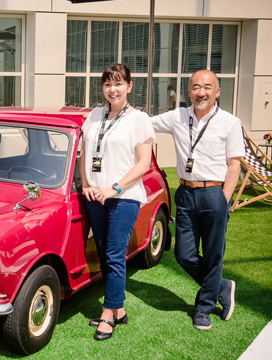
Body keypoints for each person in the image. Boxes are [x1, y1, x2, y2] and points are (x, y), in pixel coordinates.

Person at [150, 69, 243, 330]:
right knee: (184, 254)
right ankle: (222, 286)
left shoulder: (229, 122)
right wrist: (110, 112)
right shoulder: (177, 116)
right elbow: (145, 123)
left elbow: (234, 165)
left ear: (217, 91)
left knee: (213, 254)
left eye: (206, 87)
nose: (200, 92)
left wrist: (224, 198)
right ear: (188, 91)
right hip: (186, 193)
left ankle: (204, 307)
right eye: (195, 87)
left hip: (215, 192)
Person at [78, 63, 154, 341]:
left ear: (129, 86)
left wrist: (114, 188)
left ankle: (108, 313)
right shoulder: (95, 114)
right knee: (102, 252)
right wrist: (86, 183)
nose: (113, 89)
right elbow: (85, 149)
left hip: (123, 197)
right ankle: (119, 309)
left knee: (113, 255)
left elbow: (143, 163)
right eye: (108, 83)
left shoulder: (139, 119)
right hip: (95, 196)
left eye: (119, 83)